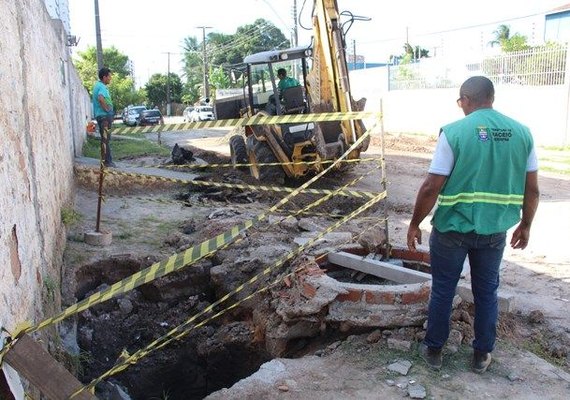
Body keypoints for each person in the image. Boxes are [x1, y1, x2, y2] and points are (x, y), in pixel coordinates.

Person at [407, 76, 539, 374]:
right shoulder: (522, 133)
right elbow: (532, 189)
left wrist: (415, 222)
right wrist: (526, 225)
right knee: (486, 292)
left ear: (466, 99)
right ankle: (481, 355)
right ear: (491, 98)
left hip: (452, 230)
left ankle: (434, 351)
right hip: (494, 232)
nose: (460, 106)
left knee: (443, 289)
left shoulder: (454, 132)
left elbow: (431, 186)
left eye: (460, 101)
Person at [92, 67, 115, 167]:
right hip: (104, 116)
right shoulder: (101, 86)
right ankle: (107, 162)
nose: (110, 78)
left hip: (102, 116)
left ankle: (106, 160)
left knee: (105, 138)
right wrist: (107, 110)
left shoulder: (98, 85)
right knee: (105, 139)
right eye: (109, 76)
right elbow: (101, 99)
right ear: (104, 77)